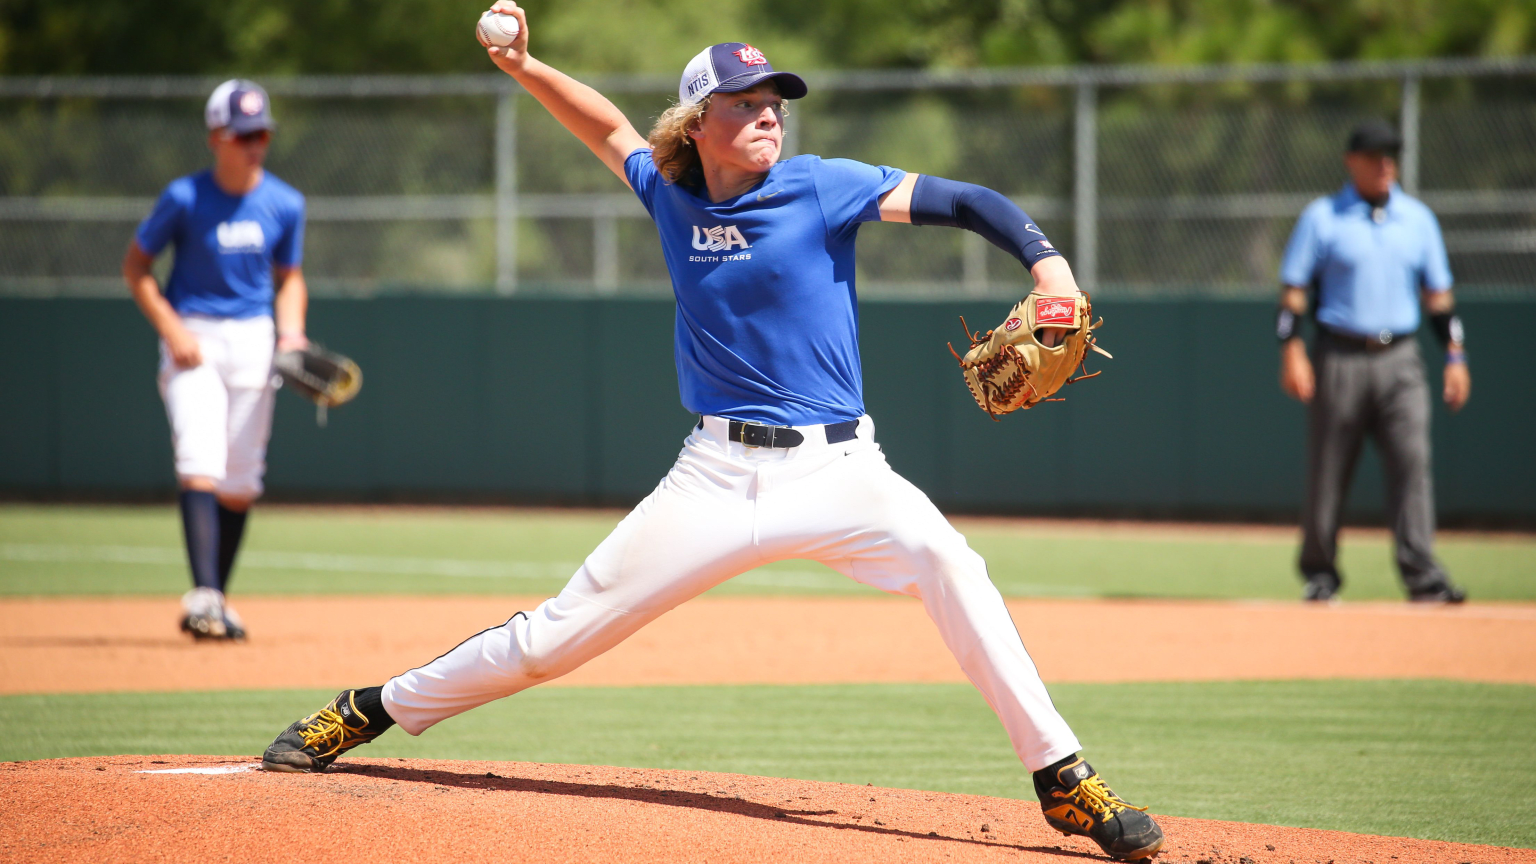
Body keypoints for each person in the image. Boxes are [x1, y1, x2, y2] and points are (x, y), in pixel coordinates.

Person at [260, 8, 1163, 860]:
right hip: (716, 477)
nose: (770, 116)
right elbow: (607, 128)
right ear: (698, 123)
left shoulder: (823, 187)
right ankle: (369, 708)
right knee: (552, 640)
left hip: (845, 469)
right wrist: (526, 66)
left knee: (953, 565)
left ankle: (1062, 776)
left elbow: (970, 201)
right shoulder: (669, 193)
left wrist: (1048, 263)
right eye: (748, 103)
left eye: (776, 103)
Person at [123, 79, 309, 640]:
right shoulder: (184, 198)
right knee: (199, 456)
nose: (255, 143)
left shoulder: (285, 202)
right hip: (193, 335)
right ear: (216, 136)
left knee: (242, 480)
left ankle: (216, 600)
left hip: (255, 336)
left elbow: (290, 278)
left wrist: (293, 335)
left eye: (262, 134)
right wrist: (171, 327)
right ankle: (204, 595)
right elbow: (137, 269)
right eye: (243, 133)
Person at [1276, 119, 1469, 604]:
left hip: (1401, 357)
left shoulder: (1418, 219)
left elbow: (1439, 297)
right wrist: (1292, 348)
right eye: (1375, 155)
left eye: (1391, 154)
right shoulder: (1323, 217)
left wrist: (1455, 355)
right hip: (1340, 353)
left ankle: (1423, 575)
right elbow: (1294, 293)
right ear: (1351, 160)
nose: (1385, 164)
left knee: (1412, 463)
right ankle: (1320, 574)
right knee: (1329, 467)